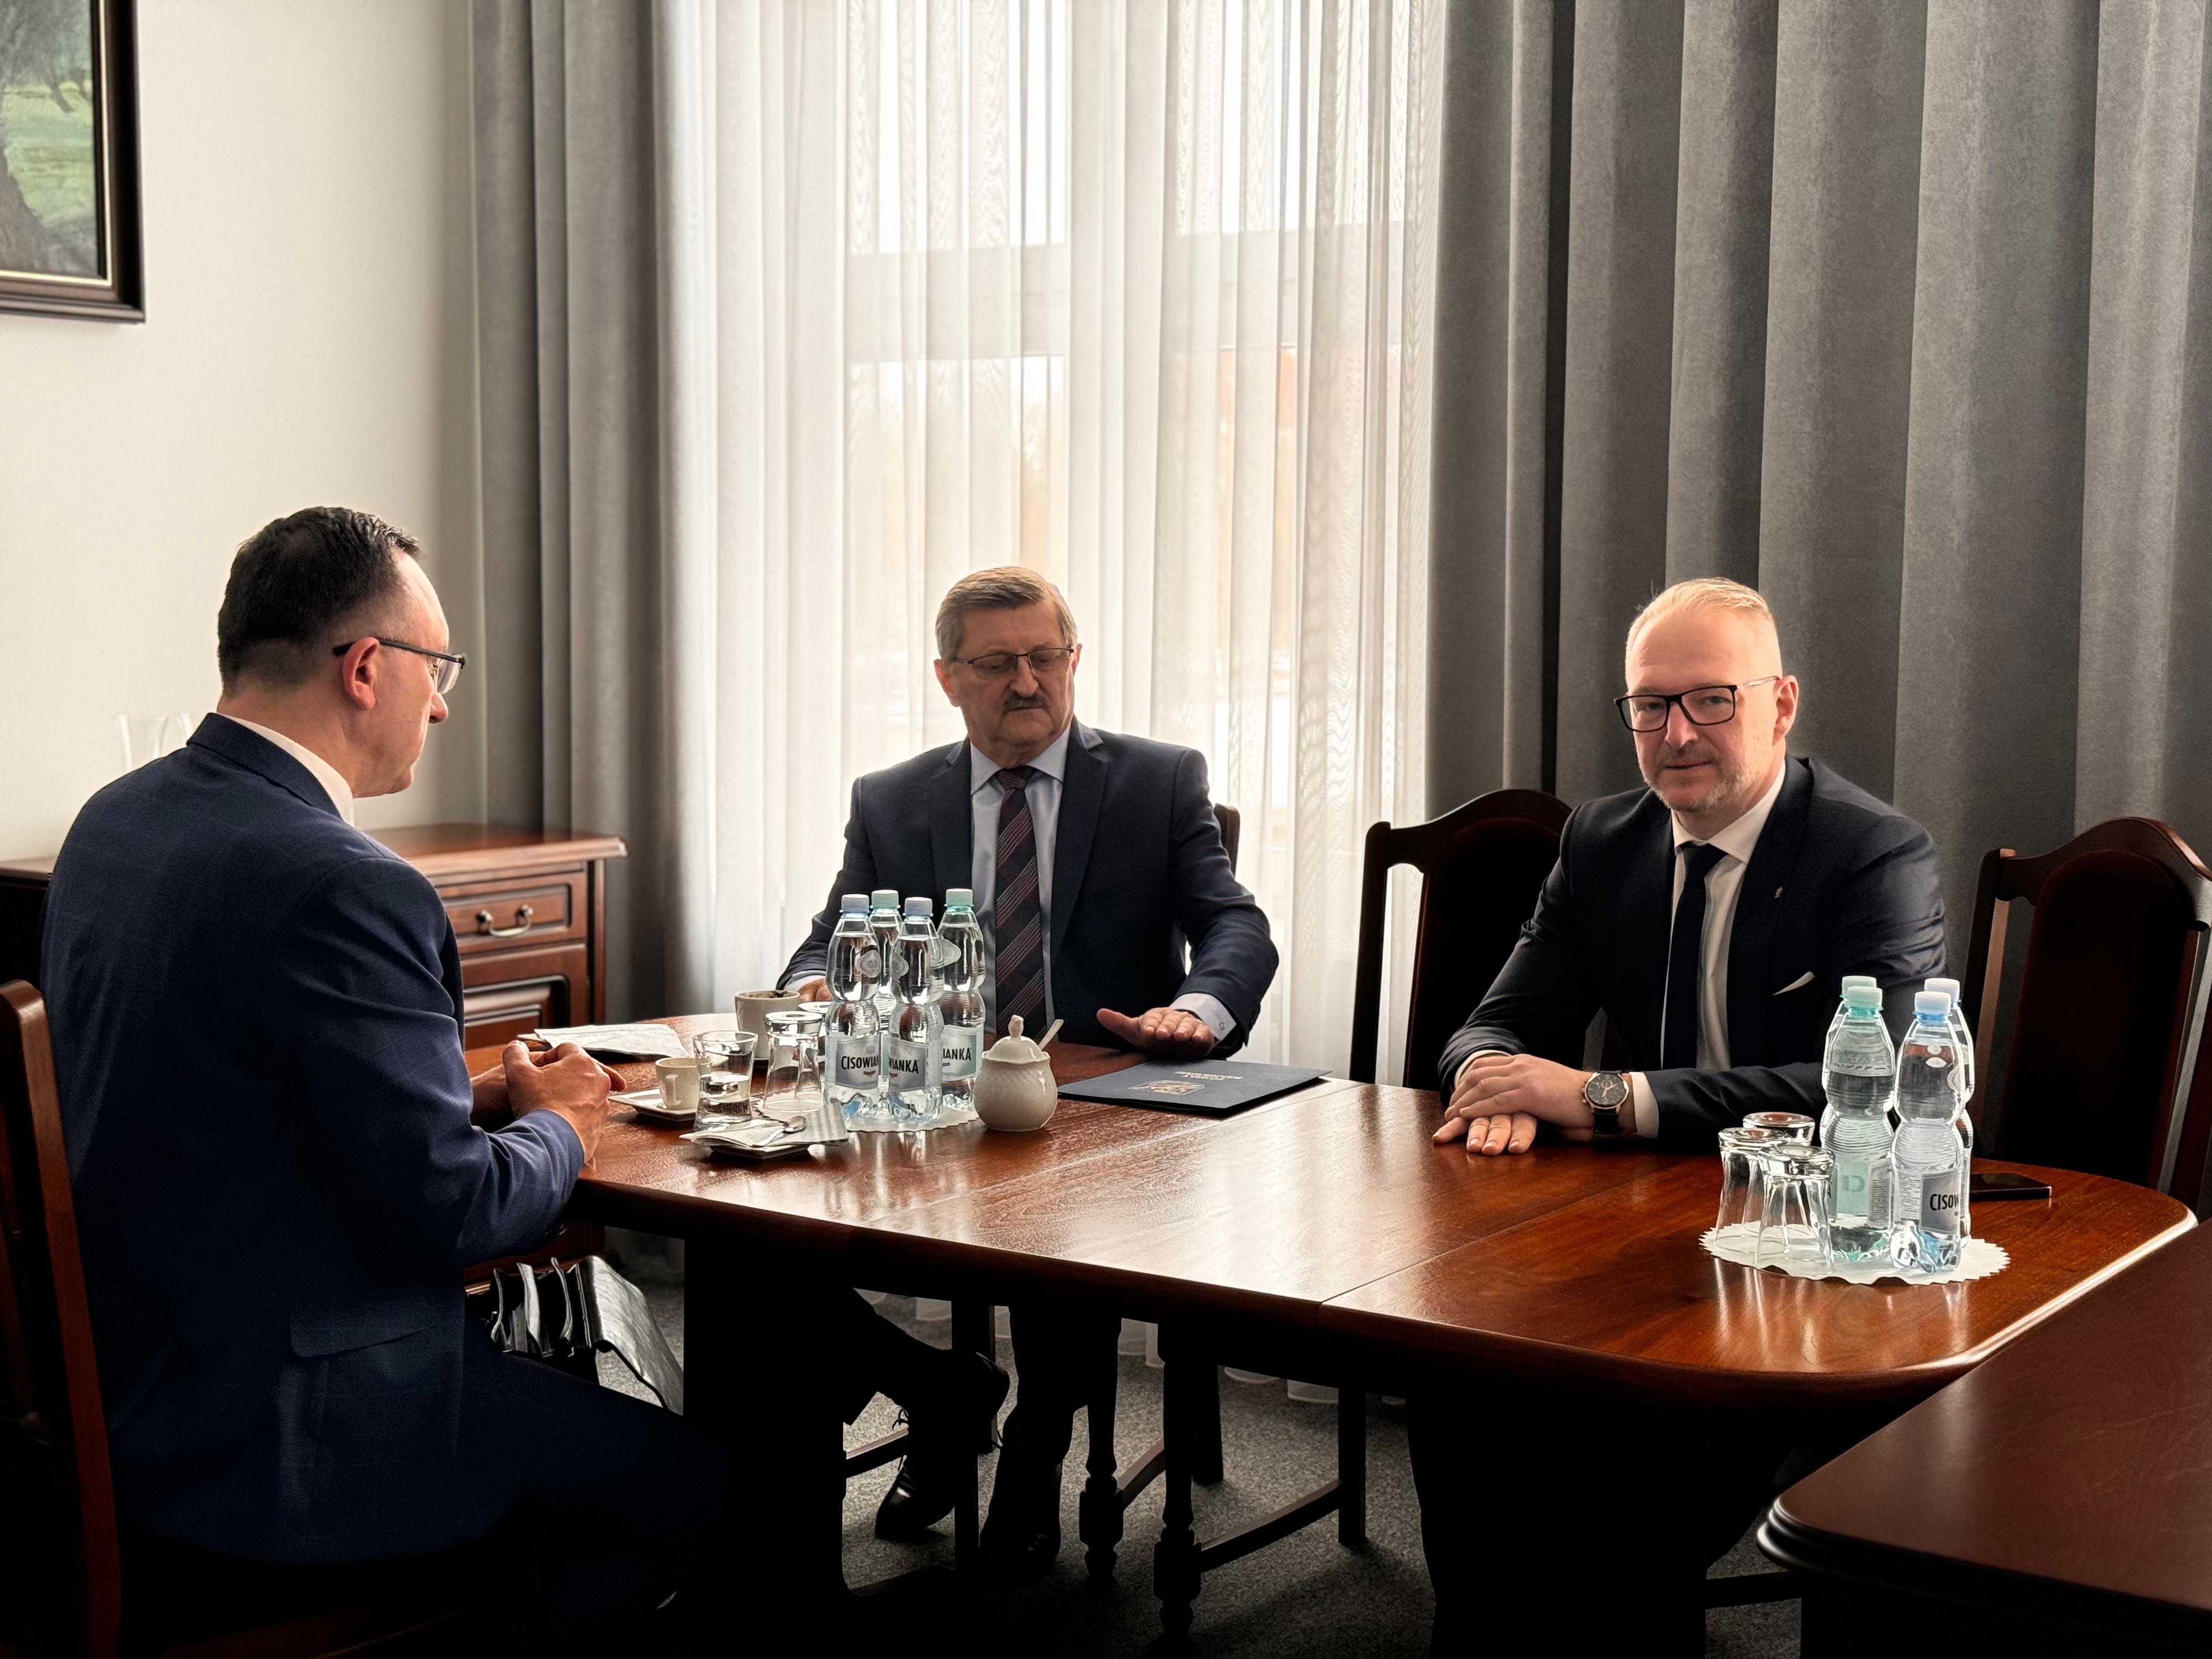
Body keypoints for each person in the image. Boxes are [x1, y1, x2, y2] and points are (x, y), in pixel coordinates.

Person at [39, 508, 996, 1656]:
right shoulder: (343, 881)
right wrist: (563, 1125)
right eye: (437, 669)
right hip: (297, 1429)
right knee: (696, 1486)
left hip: (130, 1384)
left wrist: (468, 1096)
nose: (442, 705)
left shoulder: (117, 822)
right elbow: (458, 1213)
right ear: (364, 668)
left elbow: (228, 1086)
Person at [1410, 576, 1946, 1652]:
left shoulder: (1872, 853)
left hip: (1807, 1233)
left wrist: (1598, 1096)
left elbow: (1869, 1087)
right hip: (1633, 1216)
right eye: (1651, 705)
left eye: (1711, 700)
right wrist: (1498, 1080)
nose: (1678, 733)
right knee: (1457, 1368)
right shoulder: (1603, 841)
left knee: (1633, 1460)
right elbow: (1491, 1025)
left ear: (1781, 705)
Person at [779, 565, 1278, 1573]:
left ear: (1074, 661)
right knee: (765, 1236)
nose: (1026, 682)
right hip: (931, 1105)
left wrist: (1195, 1009)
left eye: (1045, 657)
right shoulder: (891, 800)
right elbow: (832, 937)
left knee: (1066, 1232)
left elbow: (1234, 925)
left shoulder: (1156, 780)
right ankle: (935, 1387)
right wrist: (809, 991)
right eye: (998, 662)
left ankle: (1036, 1445)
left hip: (1103, 1107)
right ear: (947, 678)